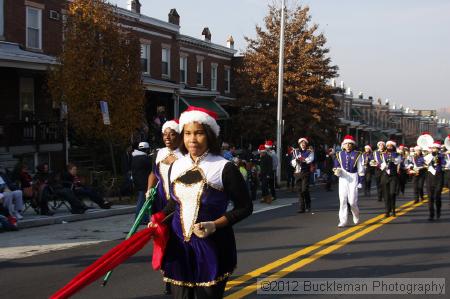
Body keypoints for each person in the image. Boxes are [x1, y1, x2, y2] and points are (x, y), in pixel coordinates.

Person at [150, 106, 252, 298]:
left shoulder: (224, 167)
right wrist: (159, 219)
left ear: (210, 135)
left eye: (199, 133)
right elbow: (175, 202)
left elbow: (245, 207)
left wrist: (215, 225)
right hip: (179, 247)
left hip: (212, 246)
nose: (192, 139)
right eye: (187, 133)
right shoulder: (176, 165)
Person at [146, 119, 183, 295]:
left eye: (172, 133)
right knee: (163, 240)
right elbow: (153, 174)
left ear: (179, 135)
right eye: (164, 133)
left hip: (178, 204)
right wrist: (148, 191)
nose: (167, 137)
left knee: (177, 240)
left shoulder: (185, 155)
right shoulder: (159, 153)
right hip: (161, 203)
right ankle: (168, 276)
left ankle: (178, 275)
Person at [333, 135, 364, 227]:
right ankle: (343, 220)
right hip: (343, 177)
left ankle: (356, 215)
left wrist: (361, 181)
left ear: (352, 145)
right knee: (342, 200)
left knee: (352, 201)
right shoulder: (339, 154)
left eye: (349, 144)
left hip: (353, 177)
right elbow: (336, 165)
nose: (348, 145)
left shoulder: (357, 154)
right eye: (346, 144)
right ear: (343, 145)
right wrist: (336, 170)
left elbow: (360, 169)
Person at [291, 137, 315, 213]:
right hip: (297, 173)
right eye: (301, 143)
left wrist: (303, 160)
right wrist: (295, 161)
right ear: (300, 144)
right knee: (299, 191)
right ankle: (302, 207)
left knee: (304, 190)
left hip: (305, 172)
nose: (303, 145)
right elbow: (292, 162)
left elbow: (310, 159)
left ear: (306, 144)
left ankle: (308, 204)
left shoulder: (309, 151)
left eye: (304, 143)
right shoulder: (296, 152)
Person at [131, 142, 152, 224]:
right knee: (142, 202)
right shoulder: (145, 158)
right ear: (146, 149)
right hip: (144, 183)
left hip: (137, 182)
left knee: (142, 201)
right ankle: (141, 219)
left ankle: (143, 218)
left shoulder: (135, 157)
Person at [424, 141, 446, 220]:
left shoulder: (441, 156)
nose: (434, 149)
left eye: (435, 148)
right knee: (430, 197)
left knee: (437, 196)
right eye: (433, 148)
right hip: (430, 177)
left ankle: (438, 211)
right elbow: (424, 163)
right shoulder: (428, 156)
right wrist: (427, 160)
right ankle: (431, 214)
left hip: (439, 177)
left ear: (438, 149)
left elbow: (444, 163)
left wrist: (440, 159)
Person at [380, 140, 401, 217]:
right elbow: (380, 164)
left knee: (392, 193)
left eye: (390, 146)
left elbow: (397, 162)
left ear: (393, 147)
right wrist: (381, 165)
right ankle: (387, 211)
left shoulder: (397, 154)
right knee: (386, 195)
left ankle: (393, 209)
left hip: (393, 176)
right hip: (385, 175)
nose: (389, 147)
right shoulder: (382, 154)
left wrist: (391, 159)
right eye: (388, 146)